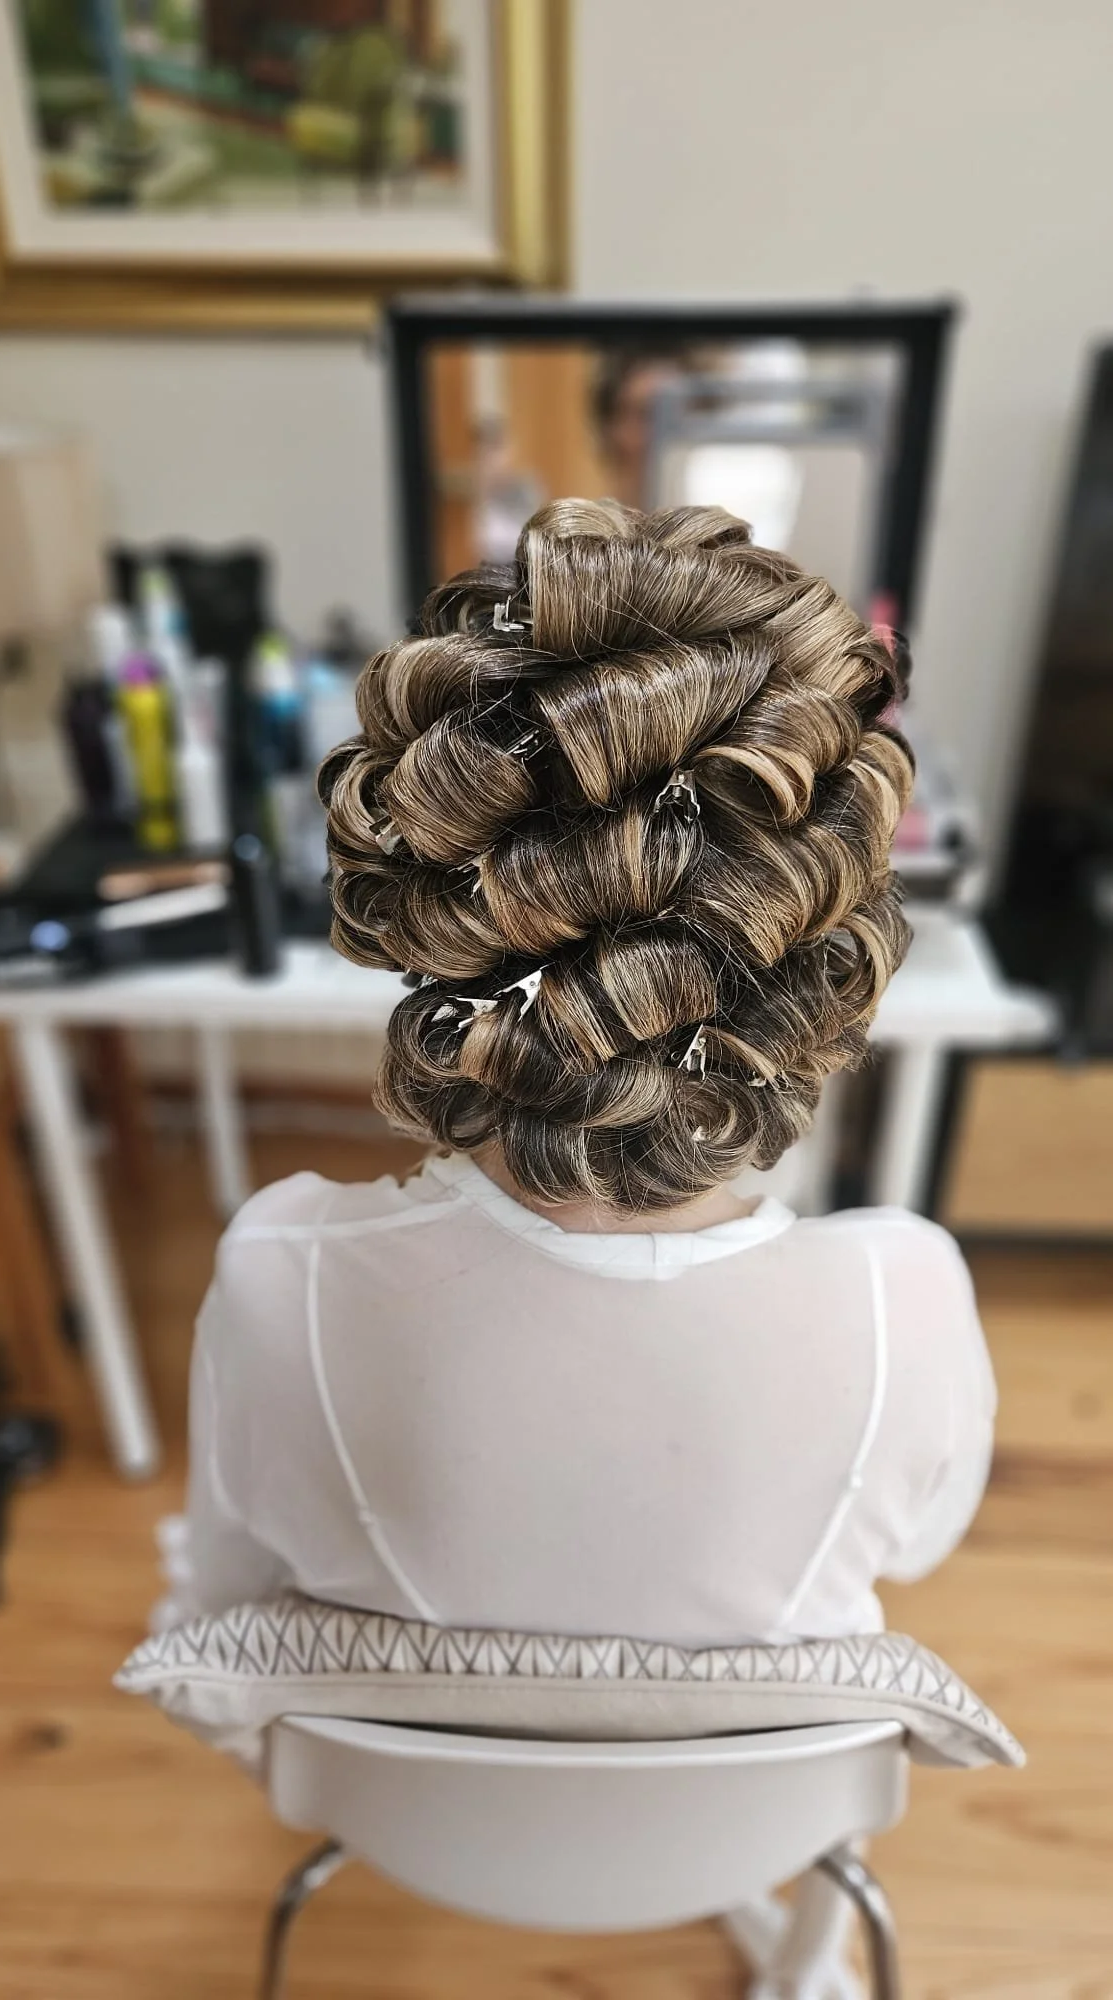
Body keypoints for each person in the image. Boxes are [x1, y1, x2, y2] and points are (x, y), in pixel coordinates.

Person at [173, 500, 994, 1651]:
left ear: (432, 910)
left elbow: (230, 1578)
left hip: (411, 1798)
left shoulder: (280, 1270)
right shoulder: (904, 1298)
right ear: (817, 948)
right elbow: (913, 1543)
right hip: (746, 1805)